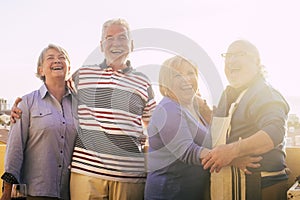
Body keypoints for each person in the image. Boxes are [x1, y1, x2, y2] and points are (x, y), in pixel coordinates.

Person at [68, 18, 156, 200]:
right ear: (101, 45)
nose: (116, 43)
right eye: (110, 38)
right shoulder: (83, 75)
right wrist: (22, 105)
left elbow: (153, 125)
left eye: (122, 38)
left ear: (131, 45)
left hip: (130, 177)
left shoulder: (143, 81)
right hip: (87, 173)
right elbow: (54, 95)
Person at [201, 40, 290, 200]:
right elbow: (222, 134)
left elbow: (274, 133)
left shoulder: (265, 93)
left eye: (239, 54)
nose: (231, 60)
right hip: (228, 182)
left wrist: (232, 151)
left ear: (256, 62)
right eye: (228, 56)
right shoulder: (227, 95)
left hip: (260, 185)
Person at [1, 44, 77, 200]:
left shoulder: (79, 105)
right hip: (34, 193)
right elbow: (15, 148)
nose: (57, 60)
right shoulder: (27, 103)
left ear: (69, 68)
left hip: (70, 193)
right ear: (41, 70)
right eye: (50, 58)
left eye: (62, 57)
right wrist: (7, 192)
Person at [144, 56, 211, 200]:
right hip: (167, 194)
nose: (186, 79)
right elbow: (187, 151)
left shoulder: (192, 109)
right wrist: (228, 156)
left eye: (190, 73)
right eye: (177, 75)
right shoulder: (168, 109)